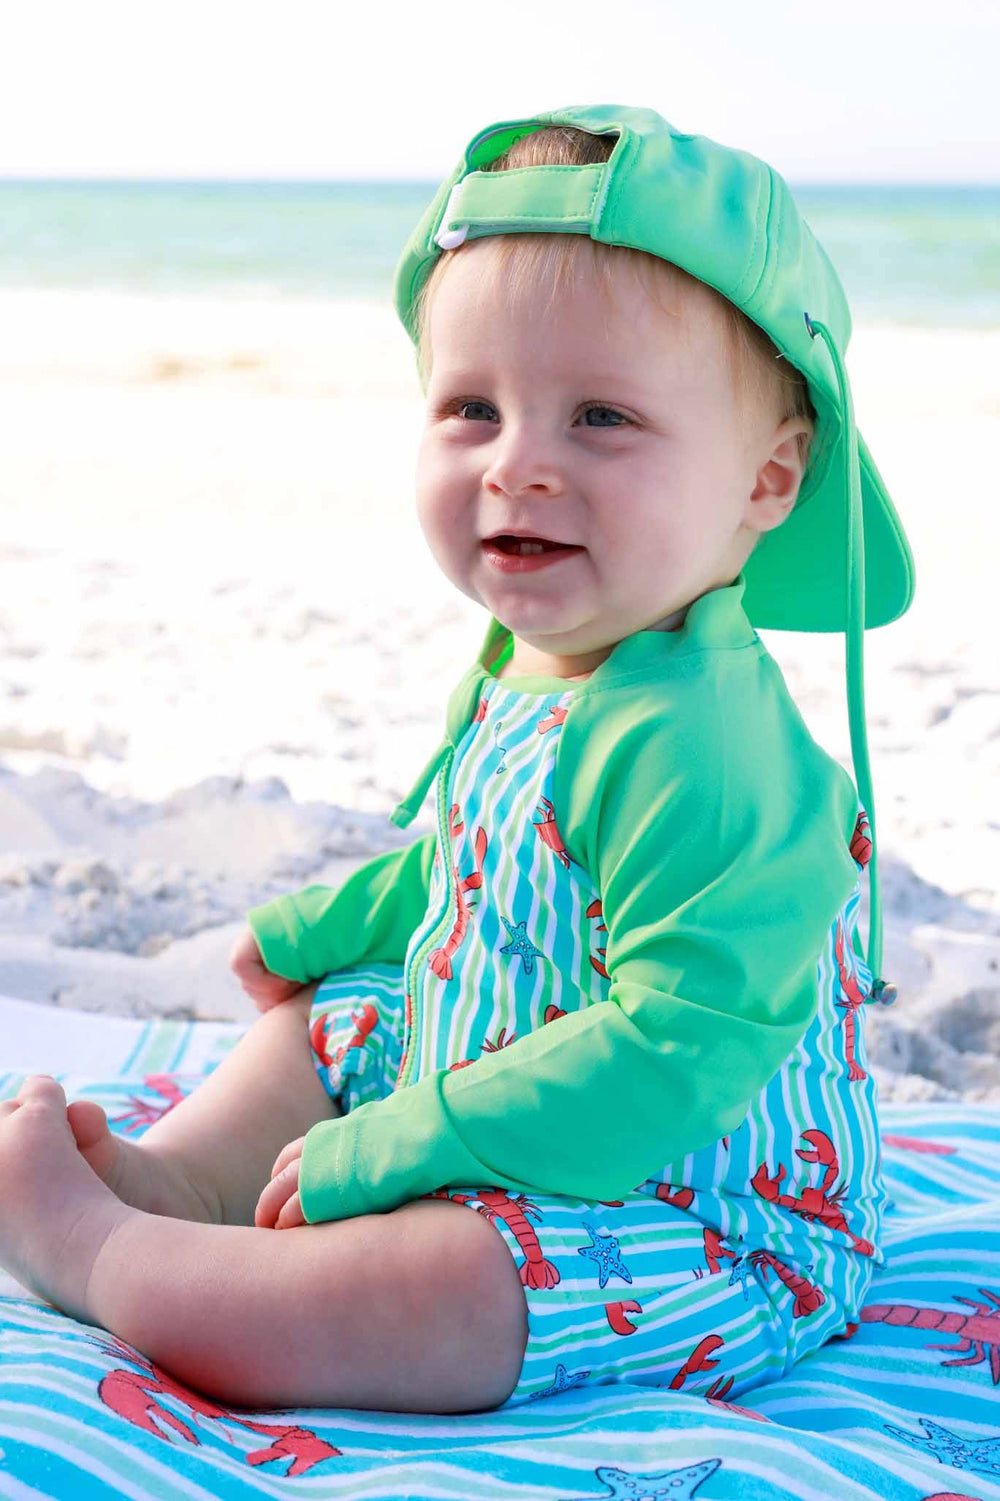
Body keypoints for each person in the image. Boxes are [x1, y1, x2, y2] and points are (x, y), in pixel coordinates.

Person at [0, 104, 914, 1416]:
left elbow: (674, 1046)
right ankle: (183, 1185)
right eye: (473, 407)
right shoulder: (540, 660)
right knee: (329, 1013)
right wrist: (329, 923)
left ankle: (110, 1256)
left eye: (601, 417)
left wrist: (398, 1143)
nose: (519, 465)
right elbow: (482, 861)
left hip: (697, 1208)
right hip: (508, 1083)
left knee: (435, 1280)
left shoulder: (711, 750)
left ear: (768, 480)